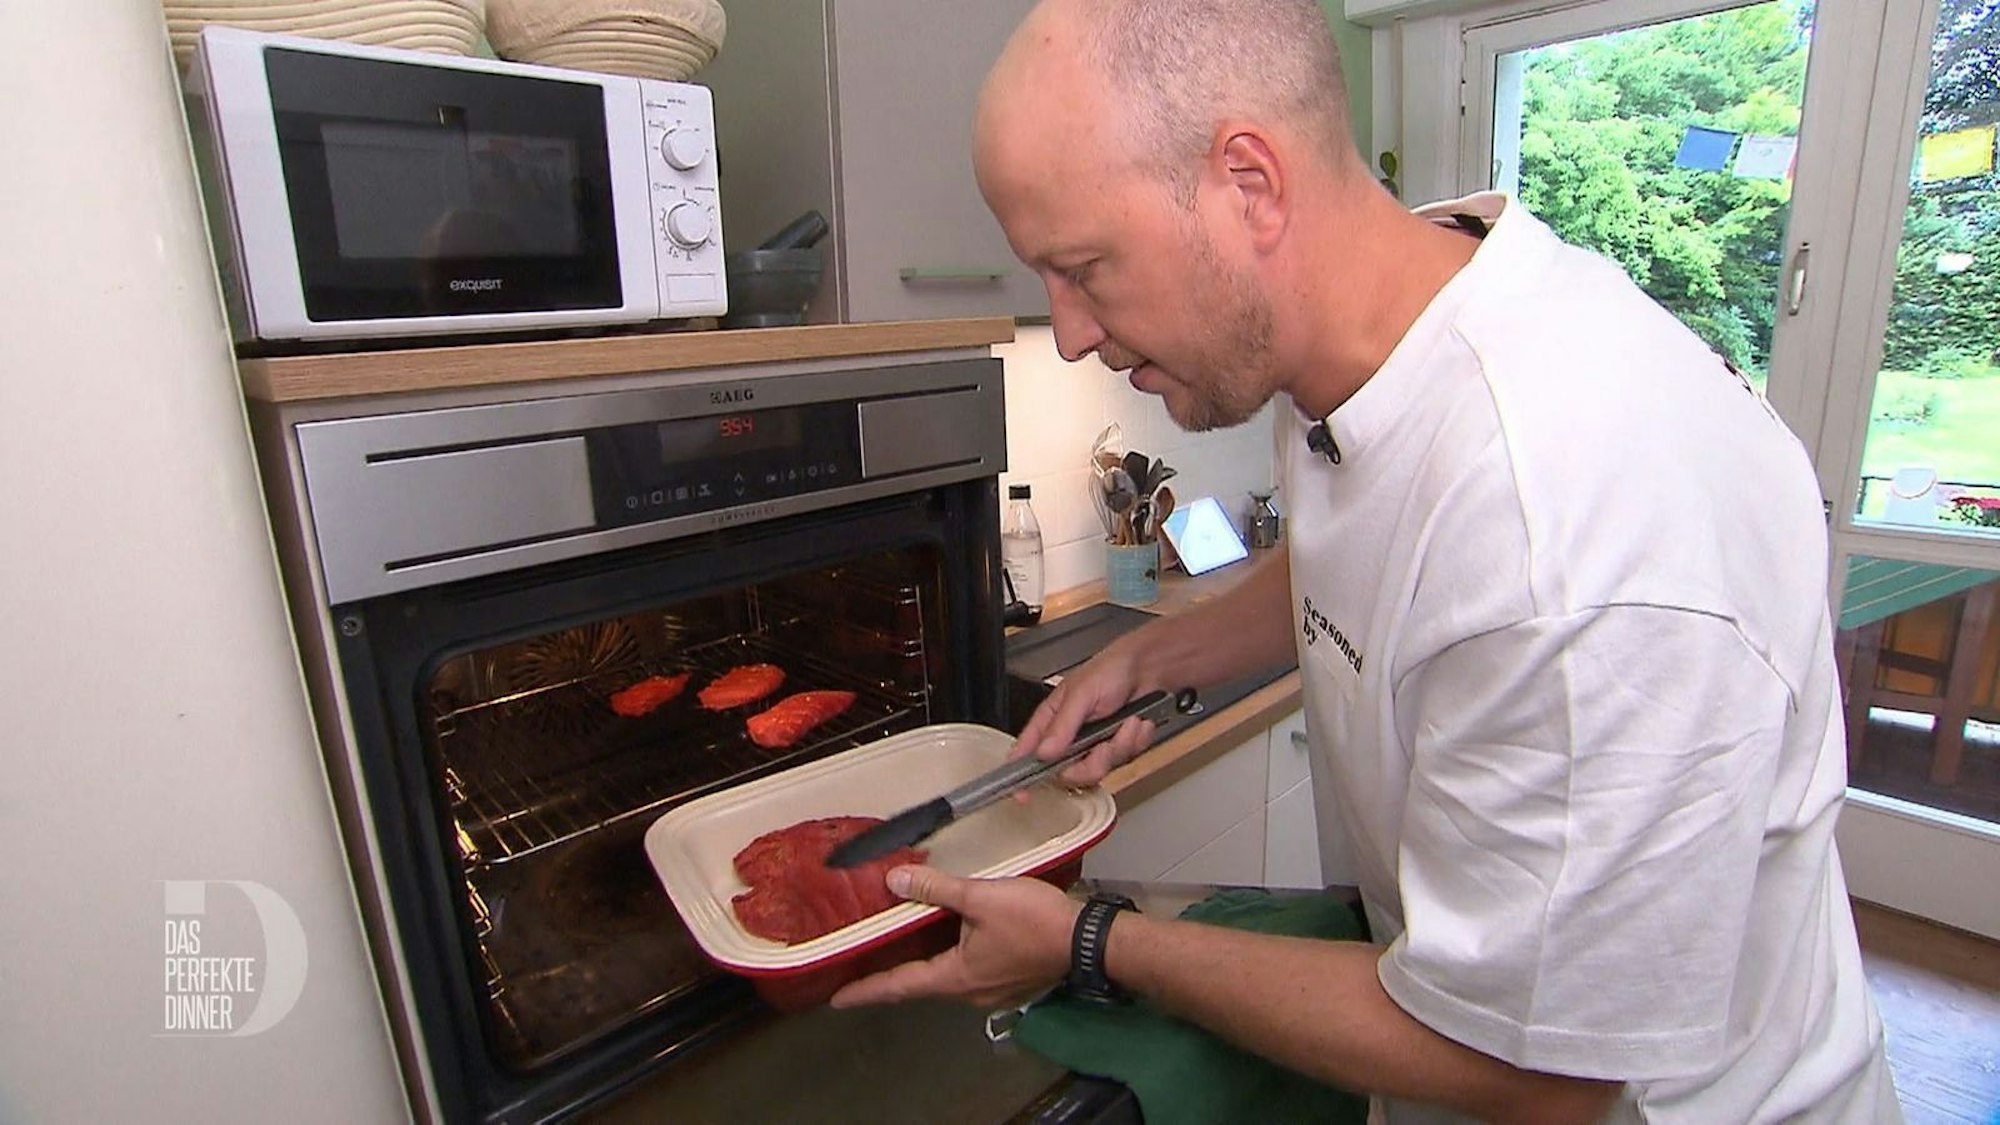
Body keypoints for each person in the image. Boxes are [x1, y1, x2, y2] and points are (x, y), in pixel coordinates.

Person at [828, 0, 1902, 1120]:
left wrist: (1091, 940)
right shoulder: (1378, 324)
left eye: (1085, 267)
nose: (1071, 331)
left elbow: (1530, 1074)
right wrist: (1156, 659)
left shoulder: (1574, 534)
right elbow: (1375, 549)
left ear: (1249, 185)